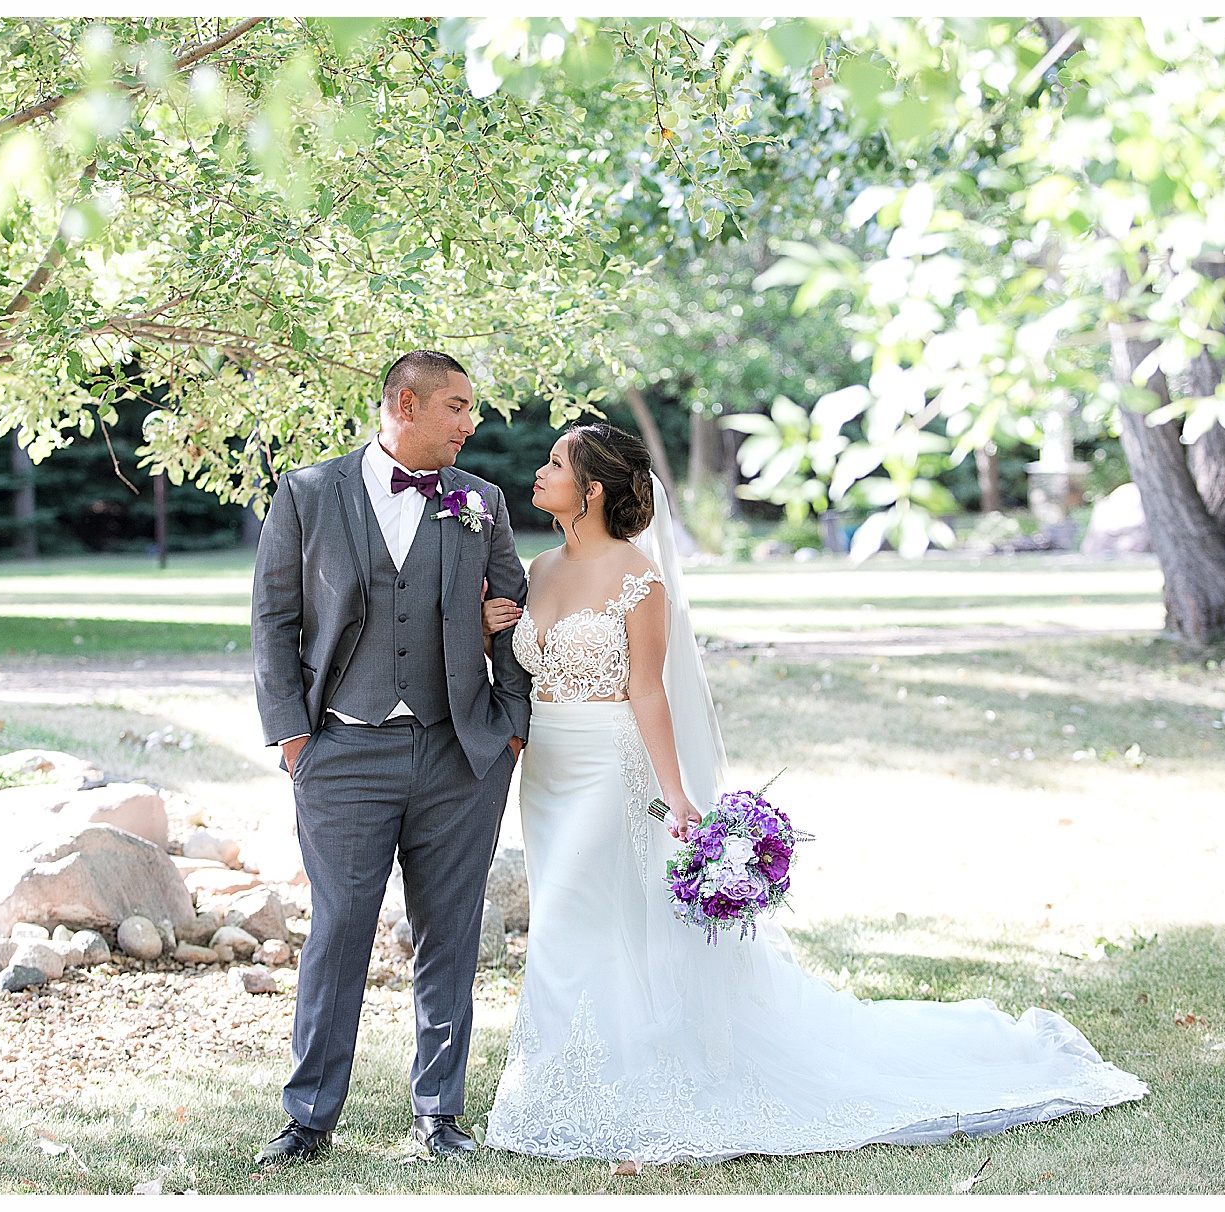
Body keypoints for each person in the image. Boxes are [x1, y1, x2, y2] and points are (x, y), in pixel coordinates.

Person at [478, 422, 1147, 1164]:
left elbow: (649, 694)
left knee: (584, 914)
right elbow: (522, 661)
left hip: (611, 769)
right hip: (547, 772)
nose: (539, 473)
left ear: (593, 489)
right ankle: (564, 1077)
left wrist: (678, 797)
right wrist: (487, 628)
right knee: (566, 918)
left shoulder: (640, 578)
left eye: (556, 464)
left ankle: (617, 1083)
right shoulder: (538, 570)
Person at [249, 350, 530, 1165]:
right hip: (341, 751)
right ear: (404, 404)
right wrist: (296, 739)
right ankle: (308, 1119)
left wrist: (509, 725)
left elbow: (511, 613)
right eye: (457, 407)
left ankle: (440, 1113)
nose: (470, 425)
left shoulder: (481, 501)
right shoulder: (307, 493)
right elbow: (274, 622)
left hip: (460, 755)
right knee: (338, 931)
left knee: (452, 933)